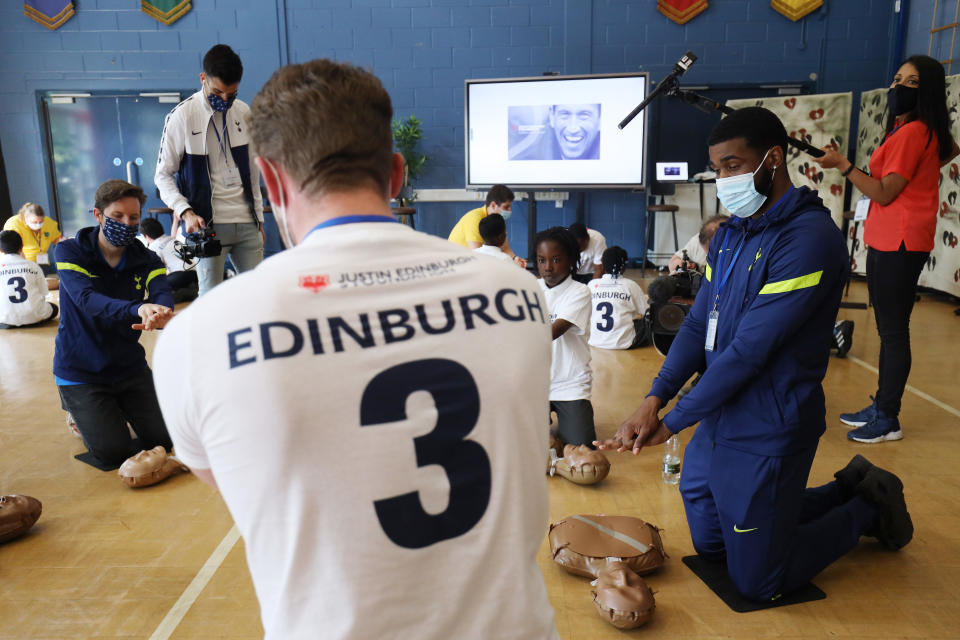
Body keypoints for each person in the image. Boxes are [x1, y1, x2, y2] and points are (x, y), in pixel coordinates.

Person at [152, 59, 558, 640]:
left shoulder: (200, 335)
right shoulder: (519, 292)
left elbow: (241, 479)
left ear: (269, 181)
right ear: (395, 174)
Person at [597, 107, 912, 602]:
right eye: (717, 168)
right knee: (712, 539)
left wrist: (674, 420)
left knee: (757, 581)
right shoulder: (730, 236)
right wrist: (653, 397)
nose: (724, 179)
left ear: (774, 158)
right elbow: (700, 322)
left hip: (768, 423)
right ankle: (840, 490)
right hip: (721, 413)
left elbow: (749, 352)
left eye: (732, 165)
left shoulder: (809, 240)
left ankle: (866, 509)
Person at [814, 54, 959, 443]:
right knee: (887, 328)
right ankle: (881, 405)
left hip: (901, 240)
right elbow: (947, 152)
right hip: (887, 237)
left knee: (893, 332)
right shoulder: (910, 129)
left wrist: (843, 165)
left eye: (911, 82)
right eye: (897, 79)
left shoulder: (913, 132)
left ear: (926, 90)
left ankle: (888, 417)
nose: (898, 87)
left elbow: (883, 191)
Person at [54, 179, 175, 470]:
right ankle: (78, 413)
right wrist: (138, 308)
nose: (127, 223)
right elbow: (86, 299)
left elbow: (161, 293)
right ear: (98, 215)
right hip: (81, 371)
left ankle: (112, 412)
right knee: (113, 453)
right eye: (118, 216)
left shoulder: (147, 259)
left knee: (163, 440)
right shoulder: (70, 252)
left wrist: (160, 312)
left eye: (134, 218)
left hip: (129, 367)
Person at [155, 43, 263, 296]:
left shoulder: (244, 112)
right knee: (210, 300)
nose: (225, 99)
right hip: (206, 227)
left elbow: (253, 172)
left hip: (246, 222)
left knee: (258, 297)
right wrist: (186, 212)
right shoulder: (182, 116)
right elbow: (162, 176)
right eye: (217, 91)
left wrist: (259, 220)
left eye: (232, 93)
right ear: (203, 79)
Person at [537, 226, 596, 446]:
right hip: (535, 383)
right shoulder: (529, 289)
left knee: (583, 447)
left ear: (571, 260)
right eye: (541, 260)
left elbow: (552, 331)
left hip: (570, 382)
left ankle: (555, 437)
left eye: (555, 259)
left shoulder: (580, 292)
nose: (547, 268)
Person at [587, 247, 648, 350]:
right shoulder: (631, 285)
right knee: (648, 320)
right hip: (625, 343)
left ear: (602, 266)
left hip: (594, 340)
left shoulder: (592, 285)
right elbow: (646, 311)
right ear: (624, 267)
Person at [0, 230, 57, 329]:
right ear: (22, 247)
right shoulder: (33, 266)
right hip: (34, 317)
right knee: (54, 308)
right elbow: (44, 292)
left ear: (0, 250)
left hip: (5, 318)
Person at [139, 217, 199, 303]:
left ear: (146, 236)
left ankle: (181, 294)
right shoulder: (173, 239)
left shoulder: (154, 247)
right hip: (195, 274)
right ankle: (190, 290)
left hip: (179, 275)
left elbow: (156, 271)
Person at [448, 184, 518, 256]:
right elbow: (477, 256)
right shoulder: (475, 218)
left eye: (510, 206)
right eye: (506, 207)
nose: (510, 210)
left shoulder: (497, 221)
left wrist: (515, 259)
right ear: (493, 205)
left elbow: (505, 248)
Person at [3, 202, 63, 287]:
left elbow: (58, 239)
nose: (38, 224)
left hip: (42, 262)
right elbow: (13, 247)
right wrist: (23, 265)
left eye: (41, 221)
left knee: (42, 286)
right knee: (30, 285)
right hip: (20, 263)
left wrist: (65, 243)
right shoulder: (14, 224)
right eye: (35, 222)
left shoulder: (48, 222)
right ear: (26, 218)